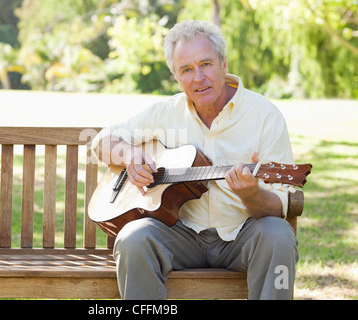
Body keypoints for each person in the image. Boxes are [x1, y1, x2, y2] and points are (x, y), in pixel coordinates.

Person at [90, 20, 298, 300]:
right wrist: (129, 155)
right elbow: (100, 141)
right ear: (176, 76)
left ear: (224, 63)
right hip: (179, 234)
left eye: (206, 64)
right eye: (186, 70)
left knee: (279, 236)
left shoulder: (265, 116)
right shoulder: (165, 113)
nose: (198, 77)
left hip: (243, 234)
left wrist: (252, 194)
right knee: (133, 238)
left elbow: (280, 206)